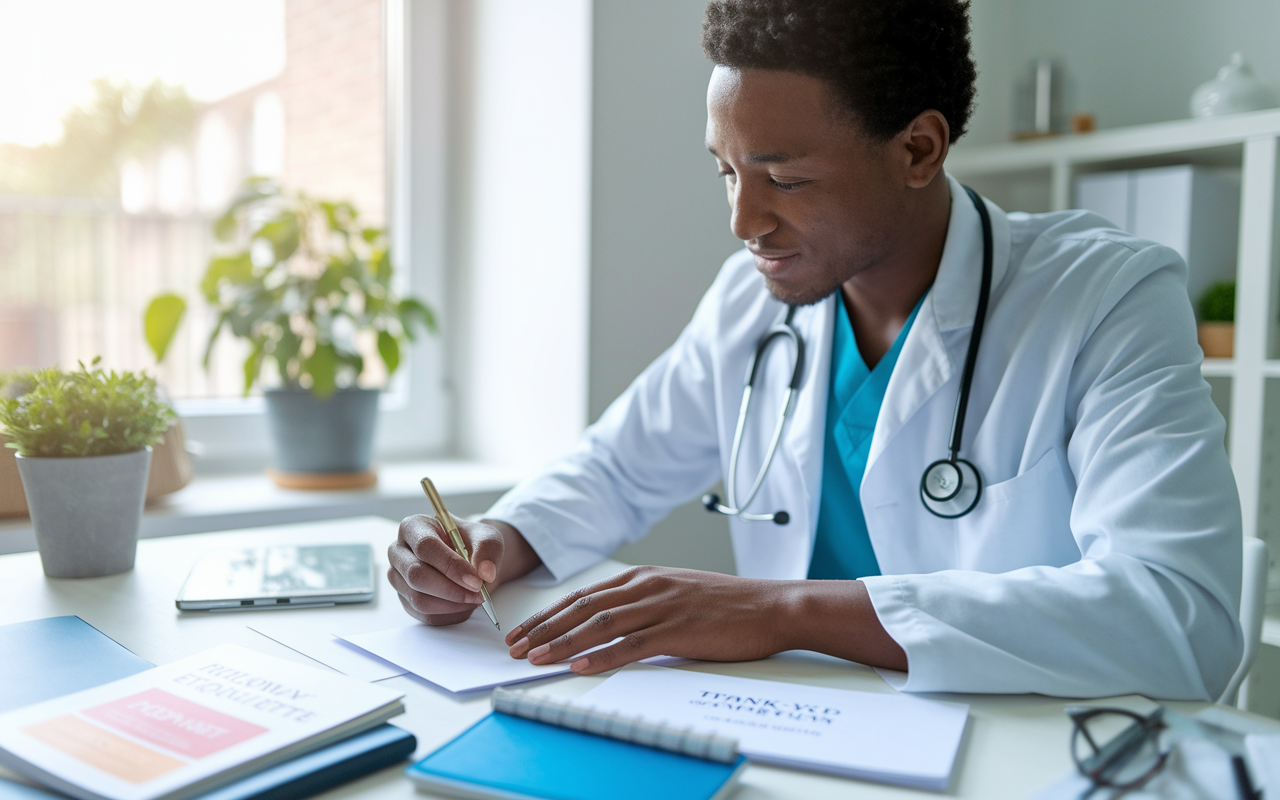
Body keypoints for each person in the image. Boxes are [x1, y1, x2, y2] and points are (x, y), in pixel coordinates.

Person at [387, 0, 1243, 701]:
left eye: (785, 180)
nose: (743, 223)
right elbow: (614, 470)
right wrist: (491, 544)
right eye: (727, 172)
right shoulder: (749, 302)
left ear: (917, 149)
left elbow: (1180, 615)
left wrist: (783, 610)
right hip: (798, 730)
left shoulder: (1105, 299)